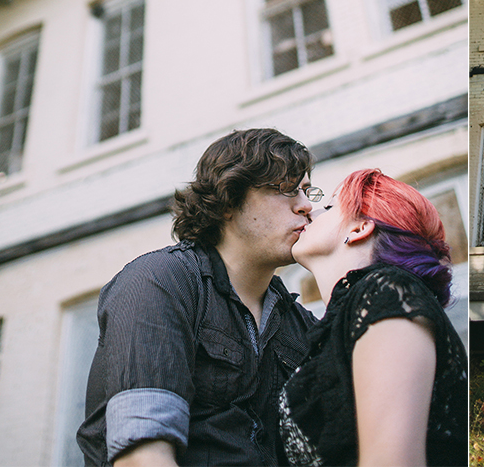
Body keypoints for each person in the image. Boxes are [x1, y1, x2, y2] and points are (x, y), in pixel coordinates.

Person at [78, 128, 323, 467]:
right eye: (286, 189)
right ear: (228, 201)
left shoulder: (297, 320)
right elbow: (143, 457)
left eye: (308, 191)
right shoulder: (161, 280)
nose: (307, 205)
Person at [278, 168, 468, 467]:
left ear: (359, 229)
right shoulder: (345, 316)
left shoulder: (388, 293)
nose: (311, 211)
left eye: (329, 207)